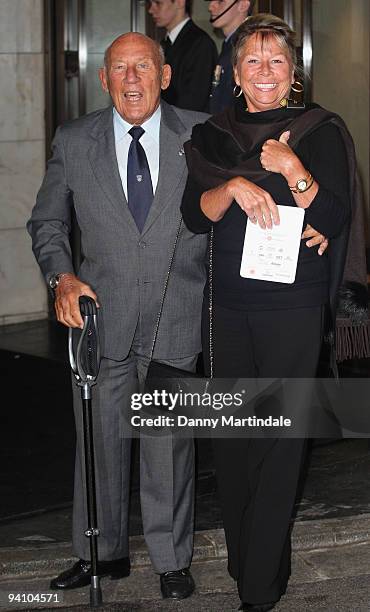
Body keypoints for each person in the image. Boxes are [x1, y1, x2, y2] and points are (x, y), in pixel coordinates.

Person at [181, 13, 356, 611]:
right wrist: (230, 188)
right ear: (233, 73)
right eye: (252, 61)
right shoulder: (212, 135)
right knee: (234, 441)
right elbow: (192, 213)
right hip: (227, 306)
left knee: (279, 441)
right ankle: (252, 561)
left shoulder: (318, 130)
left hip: (293, 307)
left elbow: (333, 216)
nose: (264, 72)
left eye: (276, 61)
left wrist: (293, 171)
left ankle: (258, 587)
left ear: (293, 75)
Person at [27, 32, 209, 600]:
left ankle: (171, 559)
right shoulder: (74, 140)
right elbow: (47, 222)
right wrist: (62, 277)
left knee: (169, 451)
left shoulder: (204, 135)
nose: (132, 78)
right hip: (98, 324)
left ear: (166, 75)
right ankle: (99, 552)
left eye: (143, 67)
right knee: (99, 440)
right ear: (102, 80)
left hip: (174, 319)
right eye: (119, 69)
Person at [148, 0, 217, 111]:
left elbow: (194, 101)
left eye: (158, 3)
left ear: (180, 2)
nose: (151, 10)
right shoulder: (165, 43)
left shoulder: (200, 43)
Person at [209, 0, 255, 113]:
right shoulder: (231, 43)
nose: (210, 6)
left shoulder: (248, 45)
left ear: (243, 5)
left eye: (220, 1)